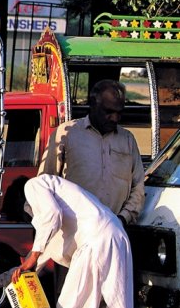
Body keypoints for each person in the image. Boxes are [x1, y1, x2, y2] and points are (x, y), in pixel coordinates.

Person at [13, 174, 133, 308]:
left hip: (96, 243)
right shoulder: (64, 194)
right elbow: (50, 246)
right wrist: (21, 271)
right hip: (115, 238)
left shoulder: (34, 185)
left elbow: (50, 216)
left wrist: (32, 256)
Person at [38, 78, 145, 226]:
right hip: (74, 228)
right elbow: (46, 181)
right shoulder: (67, 134)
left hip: (114, 227)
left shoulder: (127, 140)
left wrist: (122, 218)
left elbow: (138, 186)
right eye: (109, 111)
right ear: (94, 104)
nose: (114, 118)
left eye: (119, 113)